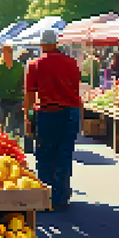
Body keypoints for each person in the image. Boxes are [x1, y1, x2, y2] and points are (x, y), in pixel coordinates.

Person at [24, 30, 81, 211]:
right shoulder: (72, 63)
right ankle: (61, 196)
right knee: (64, 154)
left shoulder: (35, 65)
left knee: (45, 155)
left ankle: (46, 196)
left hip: (48, 113)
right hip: (71, 112)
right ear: (56, 43)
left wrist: (27, 117)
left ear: (41, 45)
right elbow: (76, 87)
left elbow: (30, 94)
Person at [0, 43, 26, 146]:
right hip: (2, 99)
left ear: (11, 52)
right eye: (4, 51)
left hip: (16, 99)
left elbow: (23, 83)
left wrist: (25, 100)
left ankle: (13, 144)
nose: (6, 53)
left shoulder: (19, 66)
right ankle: (2, 144)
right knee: (0, 124)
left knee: (13, 126)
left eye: (8, 51)